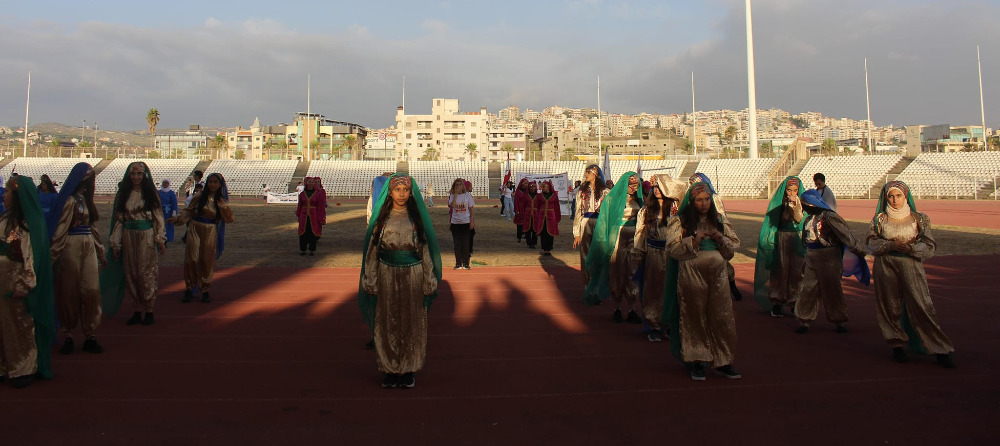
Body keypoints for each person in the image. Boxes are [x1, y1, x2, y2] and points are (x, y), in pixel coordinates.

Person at [359, 173, 441, 388]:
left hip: (413, 275)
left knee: (411, 322)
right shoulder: (382, 219)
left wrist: (429, 278)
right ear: (390, 192)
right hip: (386, 273)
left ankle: (407, 368)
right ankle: (388, 368)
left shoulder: (416, 220)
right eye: (398, 189)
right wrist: (371, 278)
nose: (402, 194)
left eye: (406, 190)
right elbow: (372, 252)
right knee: (387, 321)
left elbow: (425, 251)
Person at [865, 181, 955, 368]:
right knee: (889, 305)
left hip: (910, 264)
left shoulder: (919, 219)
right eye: (891, 196)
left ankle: (939, 347)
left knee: (921, 304)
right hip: (886, 264)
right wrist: (888, 245)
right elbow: (871, 242)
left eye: (898, 196)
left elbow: (929, 244)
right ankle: (896, 344)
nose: (895, 200)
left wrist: (911, 248)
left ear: (906, 196)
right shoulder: (879, 220)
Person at [663, 181, 742, 381]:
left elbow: (732, 248)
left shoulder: (719, 221)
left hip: (718, 274)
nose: (704, 204)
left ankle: (723, 360)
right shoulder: (680, 221)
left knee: (721, 315)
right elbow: (672, 249)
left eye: (707, 199)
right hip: (691, 272)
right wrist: (693, 241)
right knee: (694, 315)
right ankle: (697, 359)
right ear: (691, 202)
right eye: (699, 200)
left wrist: (720, 239)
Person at [0, 175, 56, 388]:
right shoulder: (5, 218)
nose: (3, 195)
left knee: (19, 324)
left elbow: (30, 255)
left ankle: (23, 366)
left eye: (6, 192)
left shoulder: (26, 224)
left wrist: (25, 283)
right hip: (2, 278)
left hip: (15, 278)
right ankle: (4, 364)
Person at [48, 163, 106, 355]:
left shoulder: (86, 200)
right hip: (70, 246)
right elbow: (60, 230)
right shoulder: (69, 201)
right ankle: (69, 334)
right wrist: (52, 256)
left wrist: (100, 251)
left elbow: (93, 227)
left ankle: (90, 333)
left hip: (87, 244)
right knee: (68, 291)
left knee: (91, 289)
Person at [794, 189, 868, 334]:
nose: (804, 207)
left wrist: (859, 250)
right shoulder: (808, 220)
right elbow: (805, 241)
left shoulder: (830, 217)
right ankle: (804, 319)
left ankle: (838, 319)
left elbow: (846, 235)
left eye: (805, 204)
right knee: (808, 289)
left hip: (829, 257)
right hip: (812, 256)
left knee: (832, 289)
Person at [101, 162, 166, 326]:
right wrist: (116, 243)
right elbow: (119, 221)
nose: (136, 177)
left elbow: (158, 217)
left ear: (144, 176)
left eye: (139, 174)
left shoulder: (151, 194)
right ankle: (137, 309)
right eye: (133, 174)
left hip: (147, 236)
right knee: (131, 272)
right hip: (128, 235)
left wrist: (160, 238)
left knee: (147, 272)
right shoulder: (123, 194)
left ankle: (149, 309)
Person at [631, 174, 686, 341]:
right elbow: (640, 233)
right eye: (654, 186)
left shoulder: (677, 209)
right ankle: (654, 325)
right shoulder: (646, 210)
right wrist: (639, 252)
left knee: (671, 290)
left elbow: (683, 188)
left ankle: (669, 324)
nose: (656, 189)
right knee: (652, 290)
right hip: (653, 253)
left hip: (673, 254)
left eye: (660, 186)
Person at [584, 172, 644, 324]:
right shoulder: (612, 199)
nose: (634, 188)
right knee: (616, 273)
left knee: (632, 274)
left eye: (636, 185)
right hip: (616, 239)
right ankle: (617, 308)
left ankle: (631, 309)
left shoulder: (640, 201)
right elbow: (604, 221)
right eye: (631, 185)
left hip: (633, 241)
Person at [170, 173, 234, 304]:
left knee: (206, 260)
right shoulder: (199, 197)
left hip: (210, 230)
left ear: (220, 184)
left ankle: (205, 289)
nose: (212, 184)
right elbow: (189, 211)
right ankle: (189, 287)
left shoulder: (221, 201)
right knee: (191, 258)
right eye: (211, 181)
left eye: (216, 182)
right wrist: (176, 219)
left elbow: (229, 219)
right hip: (195, 228)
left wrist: (224, 208)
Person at [753, 176, 805, 317]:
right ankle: (777, 302)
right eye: (789, 190)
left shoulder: (802, 202)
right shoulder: (777, 204)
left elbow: (801, 219)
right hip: (782, 237)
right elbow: (771, 224)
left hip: (797, 239)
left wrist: (795, 206)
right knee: (780, 270)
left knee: (797, 272)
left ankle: (795, 302)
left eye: (795, 190)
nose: (792, 193)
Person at [687, 173, 741, 301]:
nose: (704, 203)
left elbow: (720, 213)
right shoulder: (689, 206)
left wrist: (719, 230)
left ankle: (732, 285)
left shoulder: (714, 199)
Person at [573, 165, 608, 286]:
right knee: (585, 254)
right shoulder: (582, 191)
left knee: (599, 253)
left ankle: (598, 283)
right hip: (585, 221)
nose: (586, 175)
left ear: (595, 174)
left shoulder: (605, 191)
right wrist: (576, 233)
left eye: (588, 172)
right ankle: (587, 283)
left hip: (600, 223)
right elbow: (578, 212)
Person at [447, 178, 475, 270]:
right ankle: (458, 263)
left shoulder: (467, 195)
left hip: (466, 222)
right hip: (455, 222)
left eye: (460, 185)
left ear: (463, 186)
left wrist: (472, 221)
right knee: (457, 244)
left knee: (466, 244)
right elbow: (452, 205)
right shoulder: (452, 195)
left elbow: (471, 209)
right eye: (456, 185)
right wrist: (455, 194)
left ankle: (466, 263)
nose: (458, 186)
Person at [295, 177, 326, 256]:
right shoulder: (302, 194)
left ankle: (312, 249)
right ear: (307, 183)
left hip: (314, 214)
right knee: (303, 231)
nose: (311, 183)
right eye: (310, 182)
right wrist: (298, 214)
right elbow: (300, 205)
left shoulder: (317, 194)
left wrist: (321, 217)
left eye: (312, 182)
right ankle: (303, 249)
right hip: (304, 214)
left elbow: (320, 206)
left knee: (313, 231)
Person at [532, 180, 561, 256]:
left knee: (550, 233)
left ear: (549, 187)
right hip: (542, 217)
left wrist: (557, 218)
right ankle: (545, 249)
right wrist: (538, 216)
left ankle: (549, 248)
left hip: (551, 216)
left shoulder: (554, 196)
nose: (543, 188)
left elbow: (557, 207)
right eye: (542, 186)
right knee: (543, 232)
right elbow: (537, 206)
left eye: (544, 186)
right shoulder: (539, 196)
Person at [158, 179, 179, 243]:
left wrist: (174, 213)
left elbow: (174, 204)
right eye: (164, 182)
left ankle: (167, 239)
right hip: (160, 211)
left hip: (168, 213)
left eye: (166, 183)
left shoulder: (171, 193)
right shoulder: (158, 192)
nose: (165, 184)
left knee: (168, 226)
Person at [521, 181, 539, 249]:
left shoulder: (538, 196)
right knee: (528, 229)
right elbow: (523, 205)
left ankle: (534, 243)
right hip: (527, 213)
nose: (533, 188)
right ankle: (529, 242)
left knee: (535, 229)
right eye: (531, 186)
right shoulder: (525, 195)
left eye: (534, 186)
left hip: (535, 214)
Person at [513, 178, 530, 243]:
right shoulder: (518, 192)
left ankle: (526, 235)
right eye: (525, 183)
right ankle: (519, 237)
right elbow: (516, 201)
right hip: (520, 208)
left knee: (527, 223)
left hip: (527, 209)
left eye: (527, 183)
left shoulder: (528, 191)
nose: (527, 184)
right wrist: (516, 210)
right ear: (522, 184)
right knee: (519, 224)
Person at [464, 179, 476, 255]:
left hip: (468, 218)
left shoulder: (467, 194)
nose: (472, 188)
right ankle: (468, 249)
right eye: (470, 186)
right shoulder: (467, 195)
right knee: (469, 235)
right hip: (467, 218)